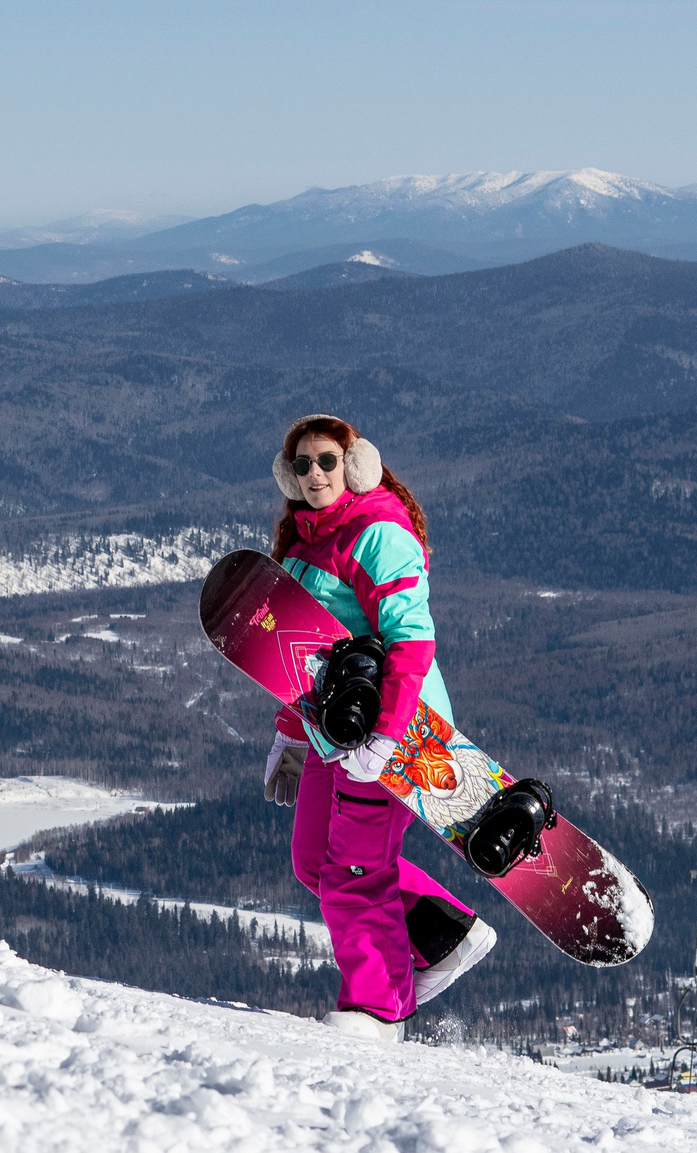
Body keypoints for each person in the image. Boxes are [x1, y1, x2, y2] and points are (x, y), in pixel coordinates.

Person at [260, 413, 495, 1041]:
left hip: (397, 725)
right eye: (302, 465)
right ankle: (447, 936)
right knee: (315, 862)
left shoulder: (377, 534)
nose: (315, 475)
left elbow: (411, 642)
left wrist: (389, 736)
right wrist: (288, 735)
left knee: (354, 871)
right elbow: (299, 655)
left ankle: (376, 1010)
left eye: (327, 461)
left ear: (354, 463)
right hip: (329, 728)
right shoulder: (304, 543)